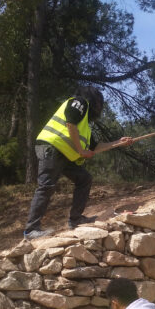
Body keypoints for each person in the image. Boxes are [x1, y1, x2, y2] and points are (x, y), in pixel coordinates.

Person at [24, 87, 134, 239]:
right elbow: (70, 123)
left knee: (84, 179)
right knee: (46, 186)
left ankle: (75, 220)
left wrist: (118, 143)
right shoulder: (79, 102)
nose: (100, 109)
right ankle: (31, 230)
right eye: (99, 104)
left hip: (64, 154)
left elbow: (95, 147)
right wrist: (81, 151)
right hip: (51, 147)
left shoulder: (86, 129)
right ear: (93, 100)